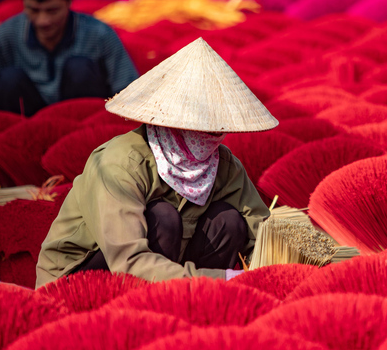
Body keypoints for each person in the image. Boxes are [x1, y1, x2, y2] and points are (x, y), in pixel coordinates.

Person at [36, 38, 278, 287]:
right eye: (202, 124)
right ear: (172, 120)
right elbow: (128, 261)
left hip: (168, 272)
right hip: (80, 279)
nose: (212, 134)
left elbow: (261, 231)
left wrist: (288, 267)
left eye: (218, 124)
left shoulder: (223, 166)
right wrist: (226, 281)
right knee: (163, 217)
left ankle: (195, 306)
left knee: (228, 221)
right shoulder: (119, 164)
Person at [0, 0, 138, 117]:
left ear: (69, 1)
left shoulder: (99, 34)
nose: (43, 21)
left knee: (79, 69)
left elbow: (129, 93)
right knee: (8, 80)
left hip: (85, 122)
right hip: (26, 127)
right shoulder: (6, 35)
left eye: (52, 10)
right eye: (34, 10)